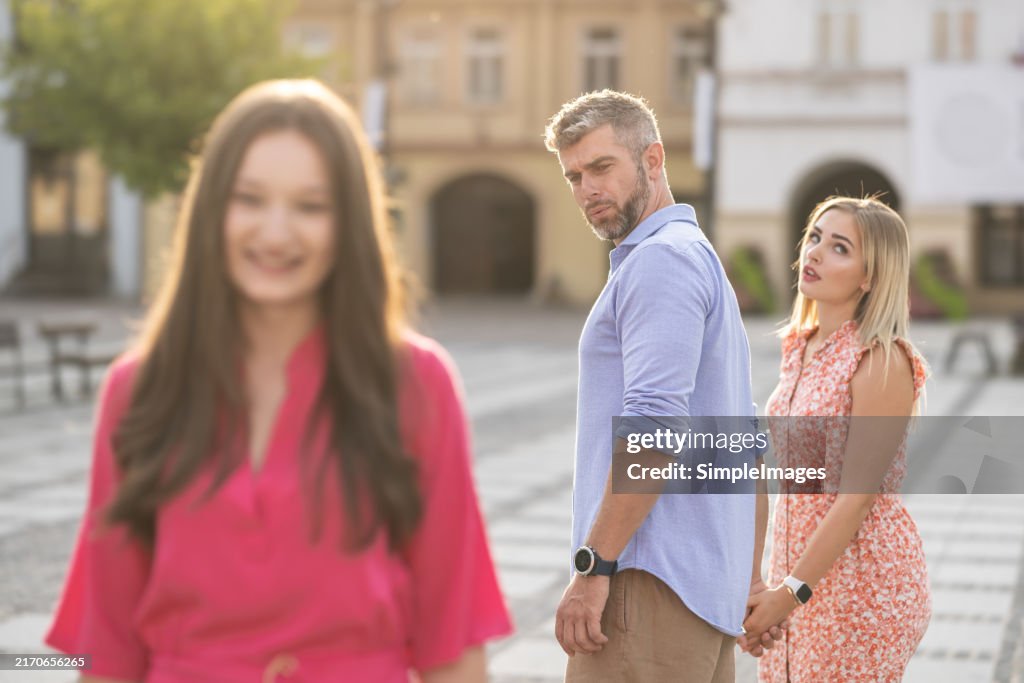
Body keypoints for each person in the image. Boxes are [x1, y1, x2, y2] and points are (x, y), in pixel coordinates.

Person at [45, 79, 512, 683]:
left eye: (311, 207)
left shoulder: (417, 385)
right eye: (250, 199)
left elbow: (451, 641)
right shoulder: (138, 390)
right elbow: (105, 647)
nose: (275, 233)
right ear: (212, 209)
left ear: (349, 223)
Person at [544, 89, 776, 683]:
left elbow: (653, 427)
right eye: (573, 177)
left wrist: (593, 569)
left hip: (647, 584)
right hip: (696, 592)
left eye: (601, 167)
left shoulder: (660, 262)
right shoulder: (692, 255)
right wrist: (747, 579)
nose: (587, 190)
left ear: (653, 160)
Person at [739, 196, 931, 681]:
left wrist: (789, 594)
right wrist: (755, 583)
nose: (816, 253)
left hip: (863, 588)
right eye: (815, 237)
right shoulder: (799, 347)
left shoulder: (880, 360)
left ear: (870, 276)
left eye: (839, 247)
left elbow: (856, 499)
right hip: (795, 581)